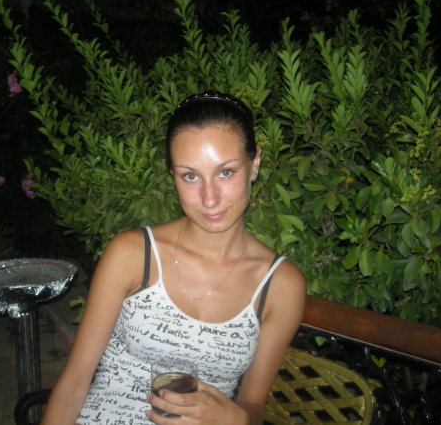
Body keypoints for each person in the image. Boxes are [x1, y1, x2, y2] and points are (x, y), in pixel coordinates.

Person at [41, 91, 306, 424]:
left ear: (254, 165)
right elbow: (73, 384)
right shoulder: (132, 255)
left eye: (226, 172)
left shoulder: (280, 285)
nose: (209, 198)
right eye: (190, 176)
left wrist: (236, 418)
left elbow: (253, 406)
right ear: (173, 176)